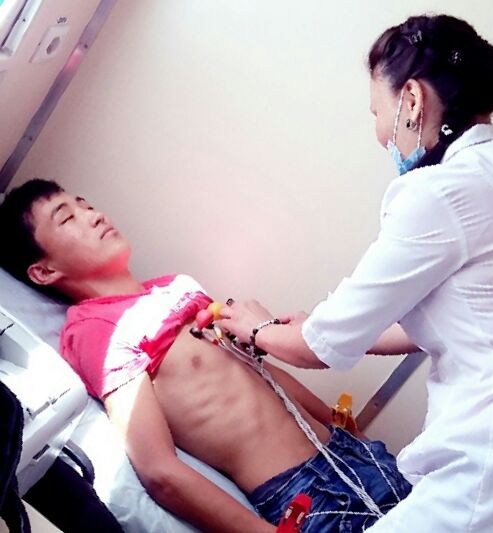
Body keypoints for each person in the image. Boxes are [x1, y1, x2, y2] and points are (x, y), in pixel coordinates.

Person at [219, 14, 493, 533]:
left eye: (376, 111)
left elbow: (319, 348)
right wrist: (333, 330)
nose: (379, 133)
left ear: (410, 99)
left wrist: (259, 328)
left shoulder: (437, 193)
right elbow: (457, 318)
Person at [0, 179, 411, 532]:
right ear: (44, 271)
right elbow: (158, 470)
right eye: (67, 218)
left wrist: (348, 432)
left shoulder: (176, 287)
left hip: (355, 456)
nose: (93, 215)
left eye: (85, 204)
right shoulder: (96, 331)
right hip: (305, 496)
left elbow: (260, 374)